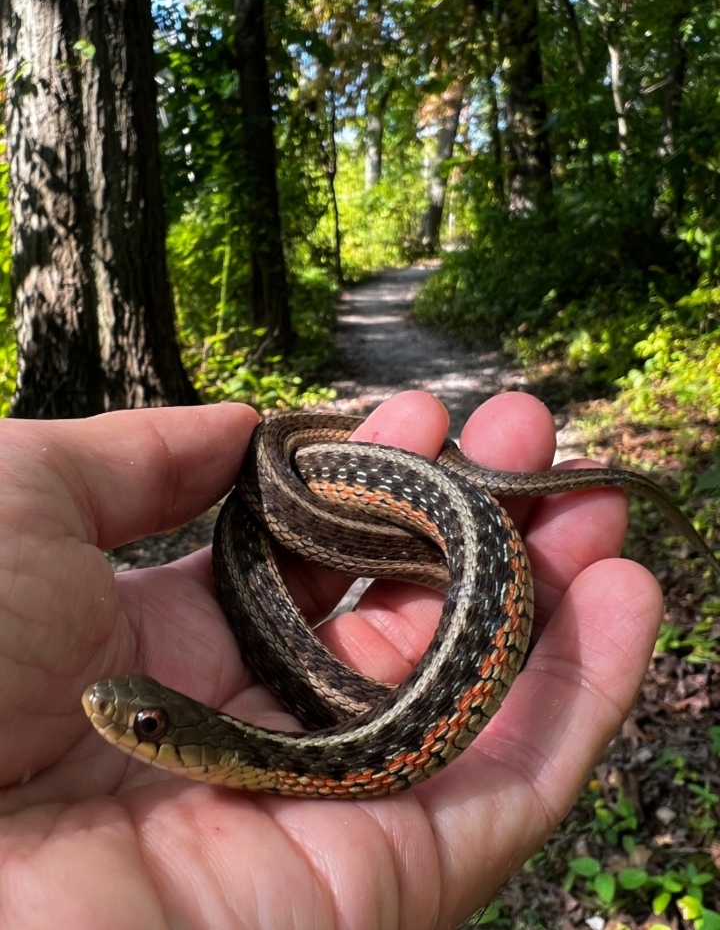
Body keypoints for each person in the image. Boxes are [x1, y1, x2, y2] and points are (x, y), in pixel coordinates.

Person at [0, 390, 662, 929]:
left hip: (463, 553)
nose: (110, 716)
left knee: (474, 549)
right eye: (147, 723)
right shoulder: (288, 758)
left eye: (147, 724)